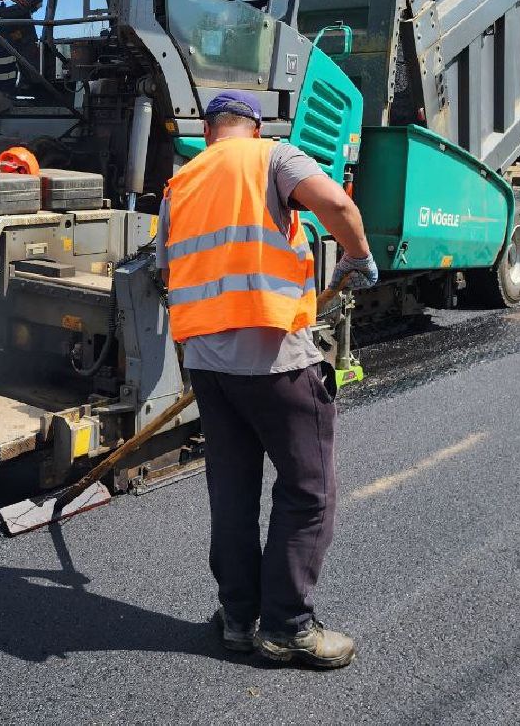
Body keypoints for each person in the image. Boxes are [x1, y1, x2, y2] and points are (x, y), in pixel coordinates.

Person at [156, 90, 380, 670]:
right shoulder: (273, 158)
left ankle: (238, 616)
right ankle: (287, 627)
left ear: (209, 133)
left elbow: (167, 271)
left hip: (208, 367)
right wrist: (357, 256)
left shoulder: (179, 186)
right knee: (309, 491)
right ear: (252, 128)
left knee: (231, 494)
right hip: (275, 360)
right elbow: (338, 205)